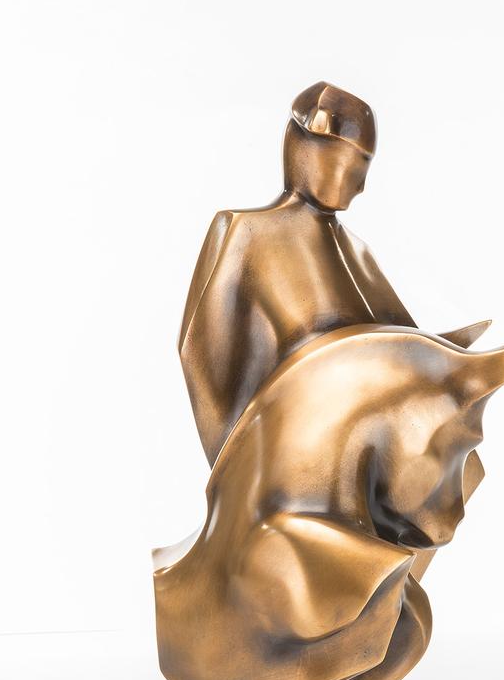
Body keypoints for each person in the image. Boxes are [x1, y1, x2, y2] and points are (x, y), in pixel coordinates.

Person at [178, 81, 418, 467]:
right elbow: (202, 354)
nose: (361, 186)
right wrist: (241, 469)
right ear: (314, 149)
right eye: (358, 163)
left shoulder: (357, 253)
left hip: (359, 465)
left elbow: (407, 351)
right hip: (282, 465)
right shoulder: (246, 233)